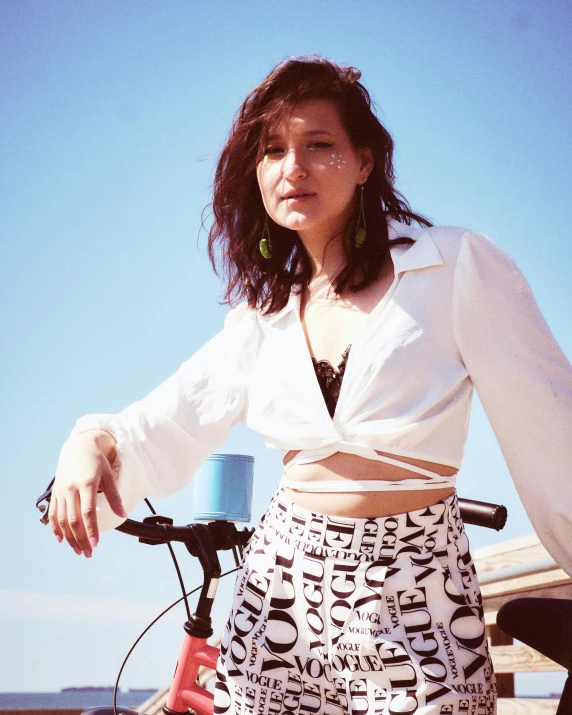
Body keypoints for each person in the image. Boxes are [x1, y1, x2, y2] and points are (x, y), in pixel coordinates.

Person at [49, 56, 572, 714]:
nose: (292, 166)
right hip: (281, 600)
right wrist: (89, 442)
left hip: (417, 600)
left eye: (318, 144)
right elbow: (169, 421)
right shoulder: (262, 317)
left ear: (364, 161)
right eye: (273, 150)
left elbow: (554, 432)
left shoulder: (455, 265)